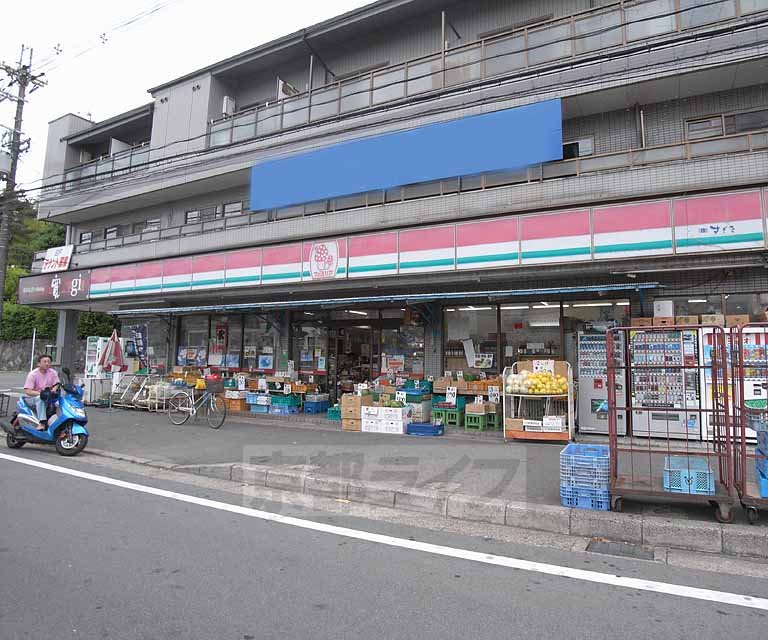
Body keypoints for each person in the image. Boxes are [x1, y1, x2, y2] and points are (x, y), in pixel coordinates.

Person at [23, 354, 60, 429]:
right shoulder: (33, 374)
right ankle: (42, 422)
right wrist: (42, 394)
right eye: (44, 361)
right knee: (40, 399)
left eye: (49, 362)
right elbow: (28, 391)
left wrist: (55, 388)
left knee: (60, 402)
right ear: (39, 363)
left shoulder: (53, 372)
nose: (47, 363)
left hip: (48, 397)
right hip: (32, 398)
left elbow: (57, 383)